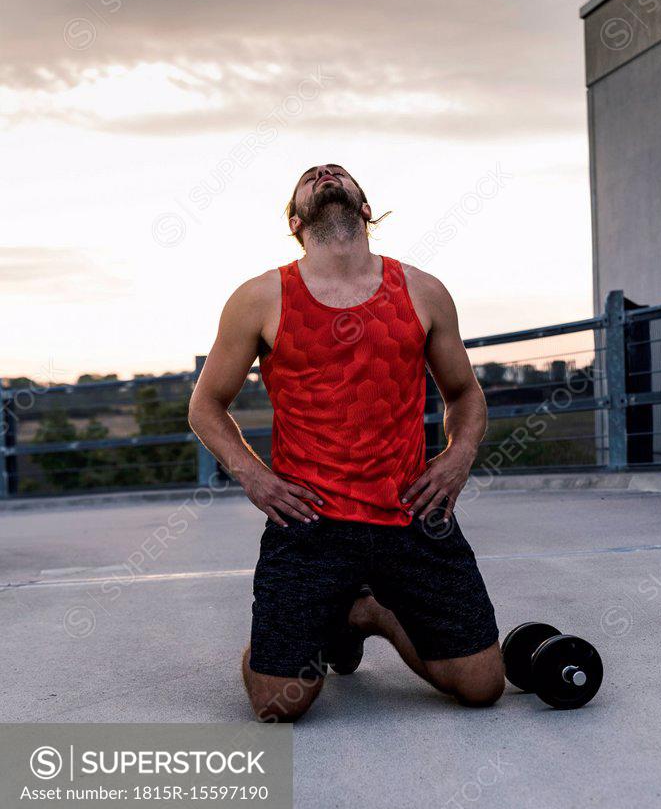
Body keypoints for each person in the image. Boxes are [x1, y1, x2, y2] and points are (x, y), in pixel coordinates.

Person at [188, 163, 504, 721]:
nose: (326, 173)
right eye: (311, 177)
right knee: (277, 704)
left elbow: (464, 393)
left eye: (339, 173)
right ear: (294, 220)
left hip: (411, 515)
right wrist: (256, 477)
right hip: (310, 522)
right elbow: (205, 406)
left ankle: (372, 611)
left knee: (482, 687)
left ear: (364, 207)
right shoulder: (259, 298)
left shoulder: (423, 291)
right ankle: (324, 620)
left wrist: (457, 457)